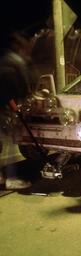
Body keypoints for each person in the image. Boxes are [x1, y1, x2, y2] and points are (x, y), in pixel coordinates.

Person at [0, 30, 36, 189]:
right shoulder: (16, 61)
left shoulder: (3, 58)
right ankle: (12, 178)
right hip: (5, 108)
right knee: (10, 142)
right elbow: (23, 89)